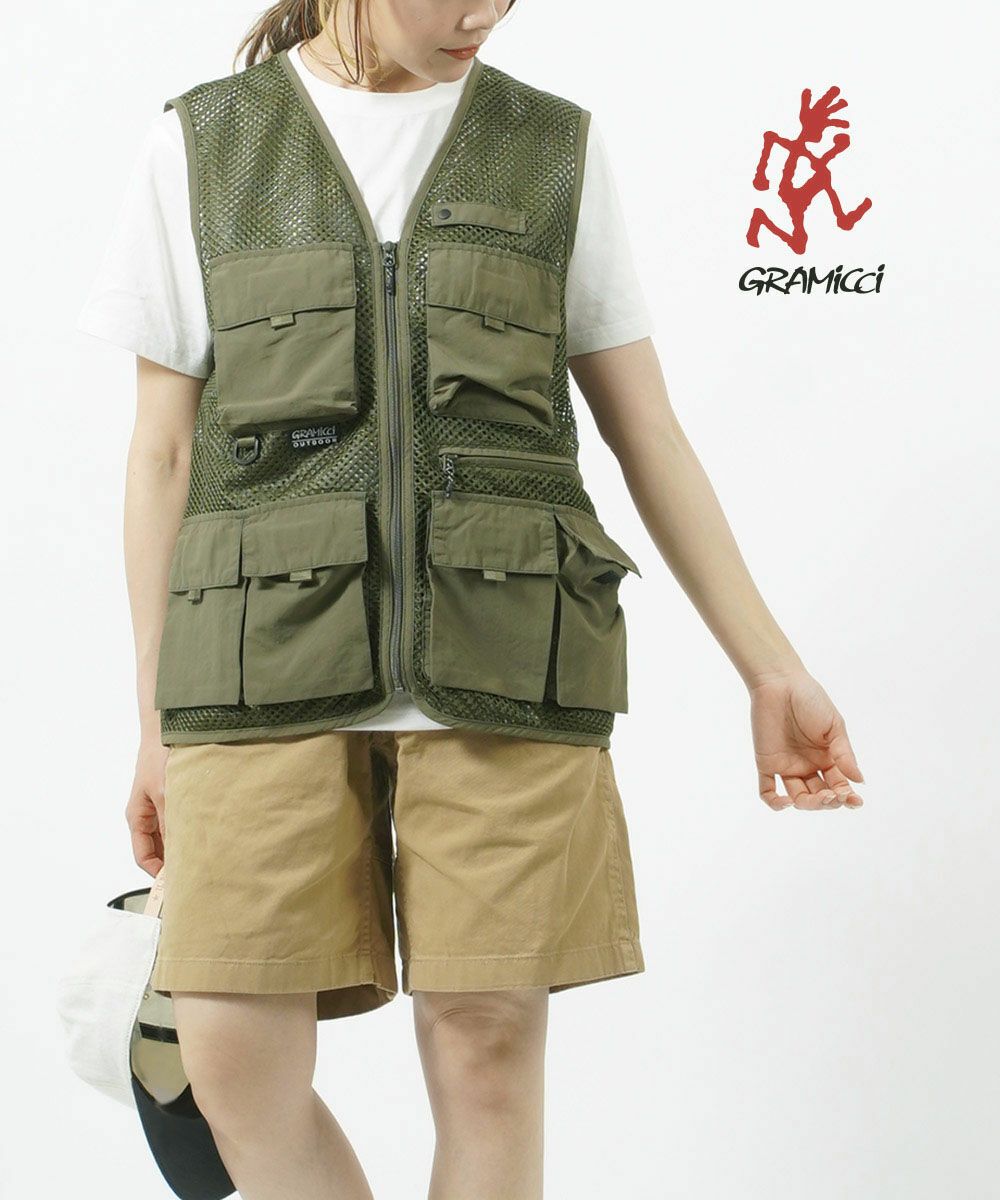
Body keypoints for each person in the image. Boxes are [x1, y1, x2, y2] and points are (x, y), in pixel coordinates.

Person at [76, 2, 866, 1197]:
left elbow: (646, 430)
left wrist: (771, 667)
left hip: (506, 654)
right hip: (252, 663)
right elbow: (163, 454)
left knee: (487, 1046)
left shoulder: (551, 146)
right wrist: (153, 717)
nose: (482, 12)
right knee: (231, 1057)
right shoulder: (204, 143)